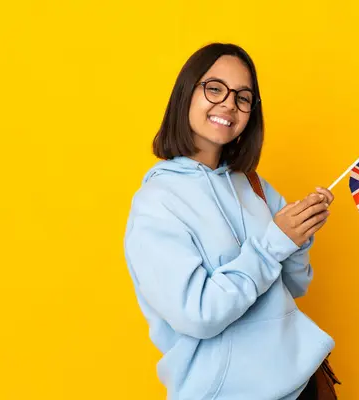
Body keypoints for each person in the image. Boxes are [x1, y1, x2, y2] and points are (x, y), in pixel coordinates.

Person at [124, 42, 340, 399]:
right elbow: (199, 314)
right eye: (214, 88)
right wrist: (274, 243)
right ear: (186, 94)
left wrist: (299, 237)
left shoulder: (254, 185)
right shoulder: (156, 204)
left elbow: (295, 286)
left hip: (304, 386)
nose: (228, 103)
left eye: (243, 97)